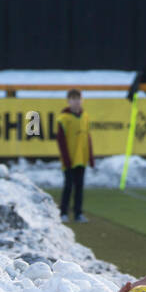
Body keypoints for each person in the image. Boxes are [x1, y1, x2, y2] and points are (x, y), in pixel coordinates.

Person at [54, 89, 94, 223]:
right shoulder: (64, 119)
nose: (76, 102)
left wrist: (91, 157)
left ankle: (78, 213)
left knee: (79, 186)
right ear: (68, 101)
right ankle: (63, 212)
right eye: (73, 99)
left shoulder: (85, 116)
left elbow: (88, 137)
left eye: (78, 99)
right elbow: (61, 140)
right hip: (69, 159)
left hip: (81, 158)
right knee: (68, 186)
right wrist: (66, 159)